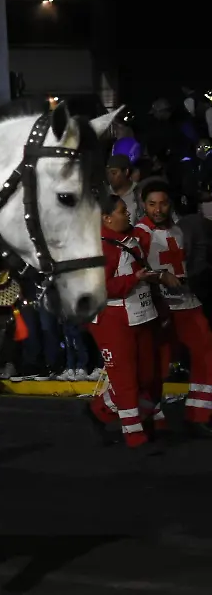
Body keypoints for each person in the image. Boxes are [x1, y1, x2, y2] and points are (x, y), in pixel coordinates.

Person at [133, 179, 212, 437]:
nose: (158, 209)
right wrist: (160, 277)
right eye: (152, 204)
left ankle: (199, 414)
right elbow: (134, 273)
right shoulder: (138, 235)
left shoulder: (177, 230)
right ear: (143, 205)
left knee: (206, 353)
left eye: (163, 203)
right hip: (159, 308)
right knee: (157, 368)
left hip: (187, 302)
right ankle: (107, 412)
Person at [86, 195, 163, 447]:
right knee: (125, 379)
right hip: (113, 320)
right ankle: (134, 436)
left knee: (145, 376)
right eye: (122, 211)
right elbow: (100, 287)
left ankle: (99, 410)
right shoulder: (99, 248)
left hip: (140, 315)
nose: (127, 214)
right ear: (107, 218)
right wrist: (135, 279)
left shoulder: (131, 238)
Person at [106, 154, 143, 225]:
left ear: (126, 172)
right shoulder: (104, 193)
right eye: (108, 173)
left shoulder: (139, 193)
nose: (110, 176)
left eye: (114, 173)